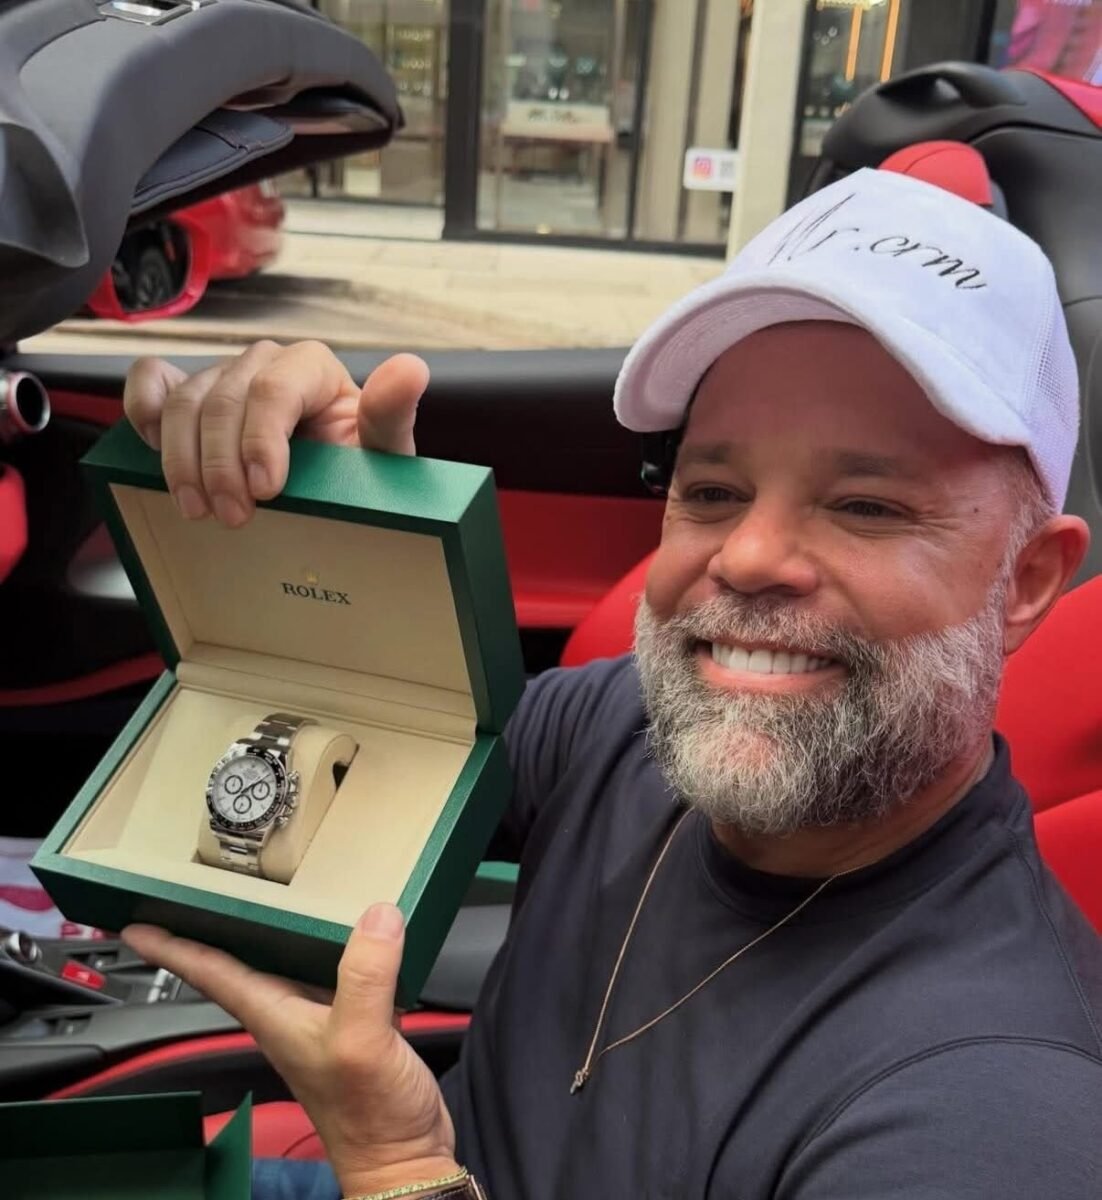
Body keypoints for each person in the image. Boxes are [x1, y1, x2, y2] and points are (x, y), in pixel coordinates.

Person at [120, 168, 1102, 1200]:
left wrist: (397, 1164)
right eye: (712, 490)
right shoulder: (623, 720)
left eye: (866, 506)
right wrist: (329, 539)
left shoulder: (992, 1115)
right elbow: (373, 748)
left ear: (1028, 580)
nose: (749, 555)